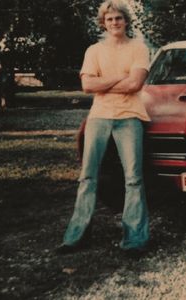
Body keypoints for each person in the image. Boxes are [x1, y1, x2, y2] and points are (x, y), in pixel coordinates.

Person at [56, 0, 150, 256]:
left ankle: (135, 240)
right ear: (103, 23)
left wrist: (104, 82)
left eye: (118, 18)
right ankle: (76, 237)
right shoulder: (94, 51)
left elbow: (135, 85)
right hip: (99, 117)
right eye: (109, 19)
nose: (114, 23)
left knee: (133, 178)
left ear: (126, 20)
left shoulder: (139, 48)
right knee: (87, 176)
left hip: (130, 116)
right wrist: (120, 77)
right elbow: (87, 86)